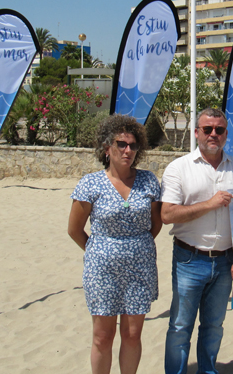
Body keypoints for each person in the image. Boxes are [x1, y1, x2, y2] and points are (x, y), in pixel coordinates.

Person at [68, 114, 162, 374]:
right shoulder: (90, 183)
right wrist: (99, 251)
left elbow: (156, 224)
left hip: (139, 268)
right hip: (102, 270)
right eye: (121, 144)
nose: (127, 150)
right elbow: (74, 230)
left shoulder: (148, 181)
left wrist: (134, 247)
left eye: (133, 145)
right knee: (102, 336)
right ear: (107, 148)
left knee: (132, 334)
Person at [161, 108, 233, 374]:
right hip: (189, 260)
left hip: (226, 262)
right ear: (196, 132)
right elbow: (167, 214)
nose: (213, 134)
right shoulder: (179, 168)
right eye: (207, 129)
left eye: (219, 130)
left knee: (213, 327)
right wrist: (210, 204)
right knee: (180, 327)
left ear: (226, 134)